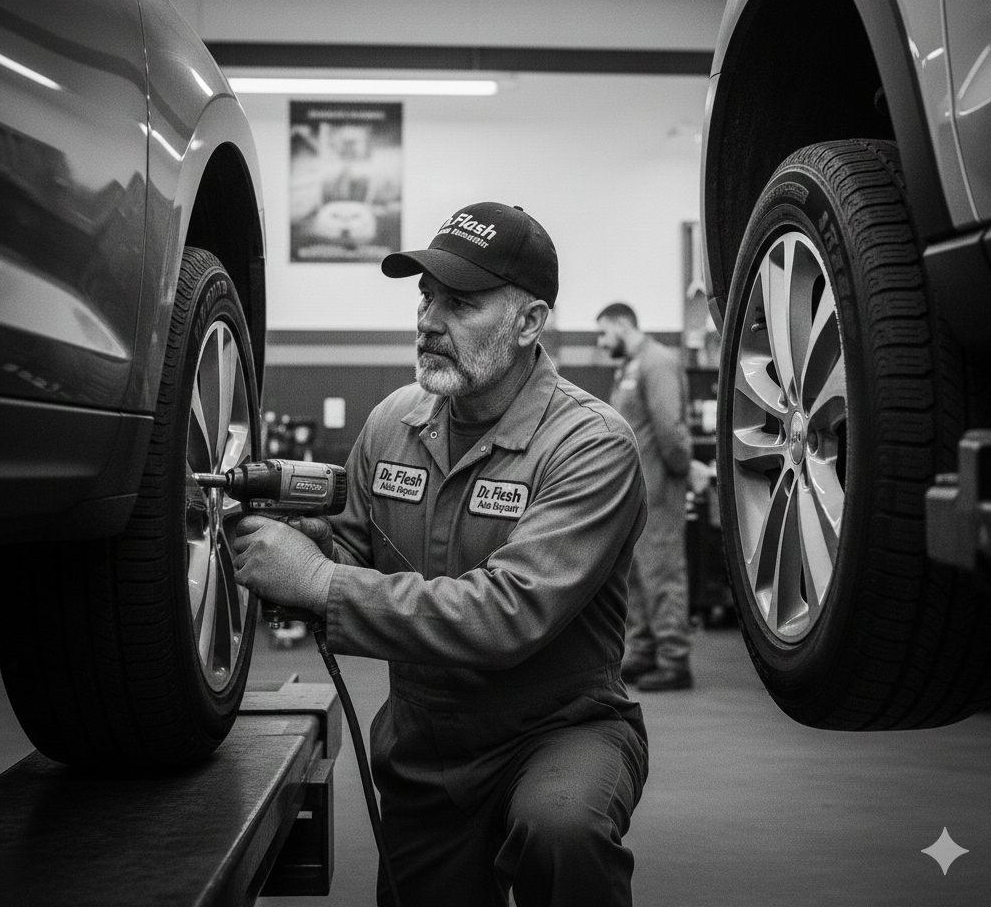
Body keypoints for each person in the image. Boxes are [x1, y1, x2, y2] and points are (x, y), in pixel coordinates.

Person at [233, 203, 650, 907]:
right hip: (427, 745)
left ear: (529, 322)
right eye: (426, 295)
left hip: (558, 732)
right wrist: (291, 541)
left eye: (461, 302)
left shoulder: (590, 444)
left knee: (561, 831)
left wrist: (320, 582)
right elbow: (354, 550)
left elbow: (506, 614)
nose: (429, 319)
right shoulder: (393, 423)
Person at [596, 303, 694, 692]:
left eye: (604, 333)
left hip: (659, 487)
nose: (602, 343)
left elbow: (670, 430)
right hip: (633, 491)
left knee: (662, 572)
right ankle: (642, 651)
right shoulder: (629, 365)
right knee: (634, 574)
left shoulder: (658, 362)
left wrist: (683, 470)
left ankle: (674, 659)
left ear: (623, 325)